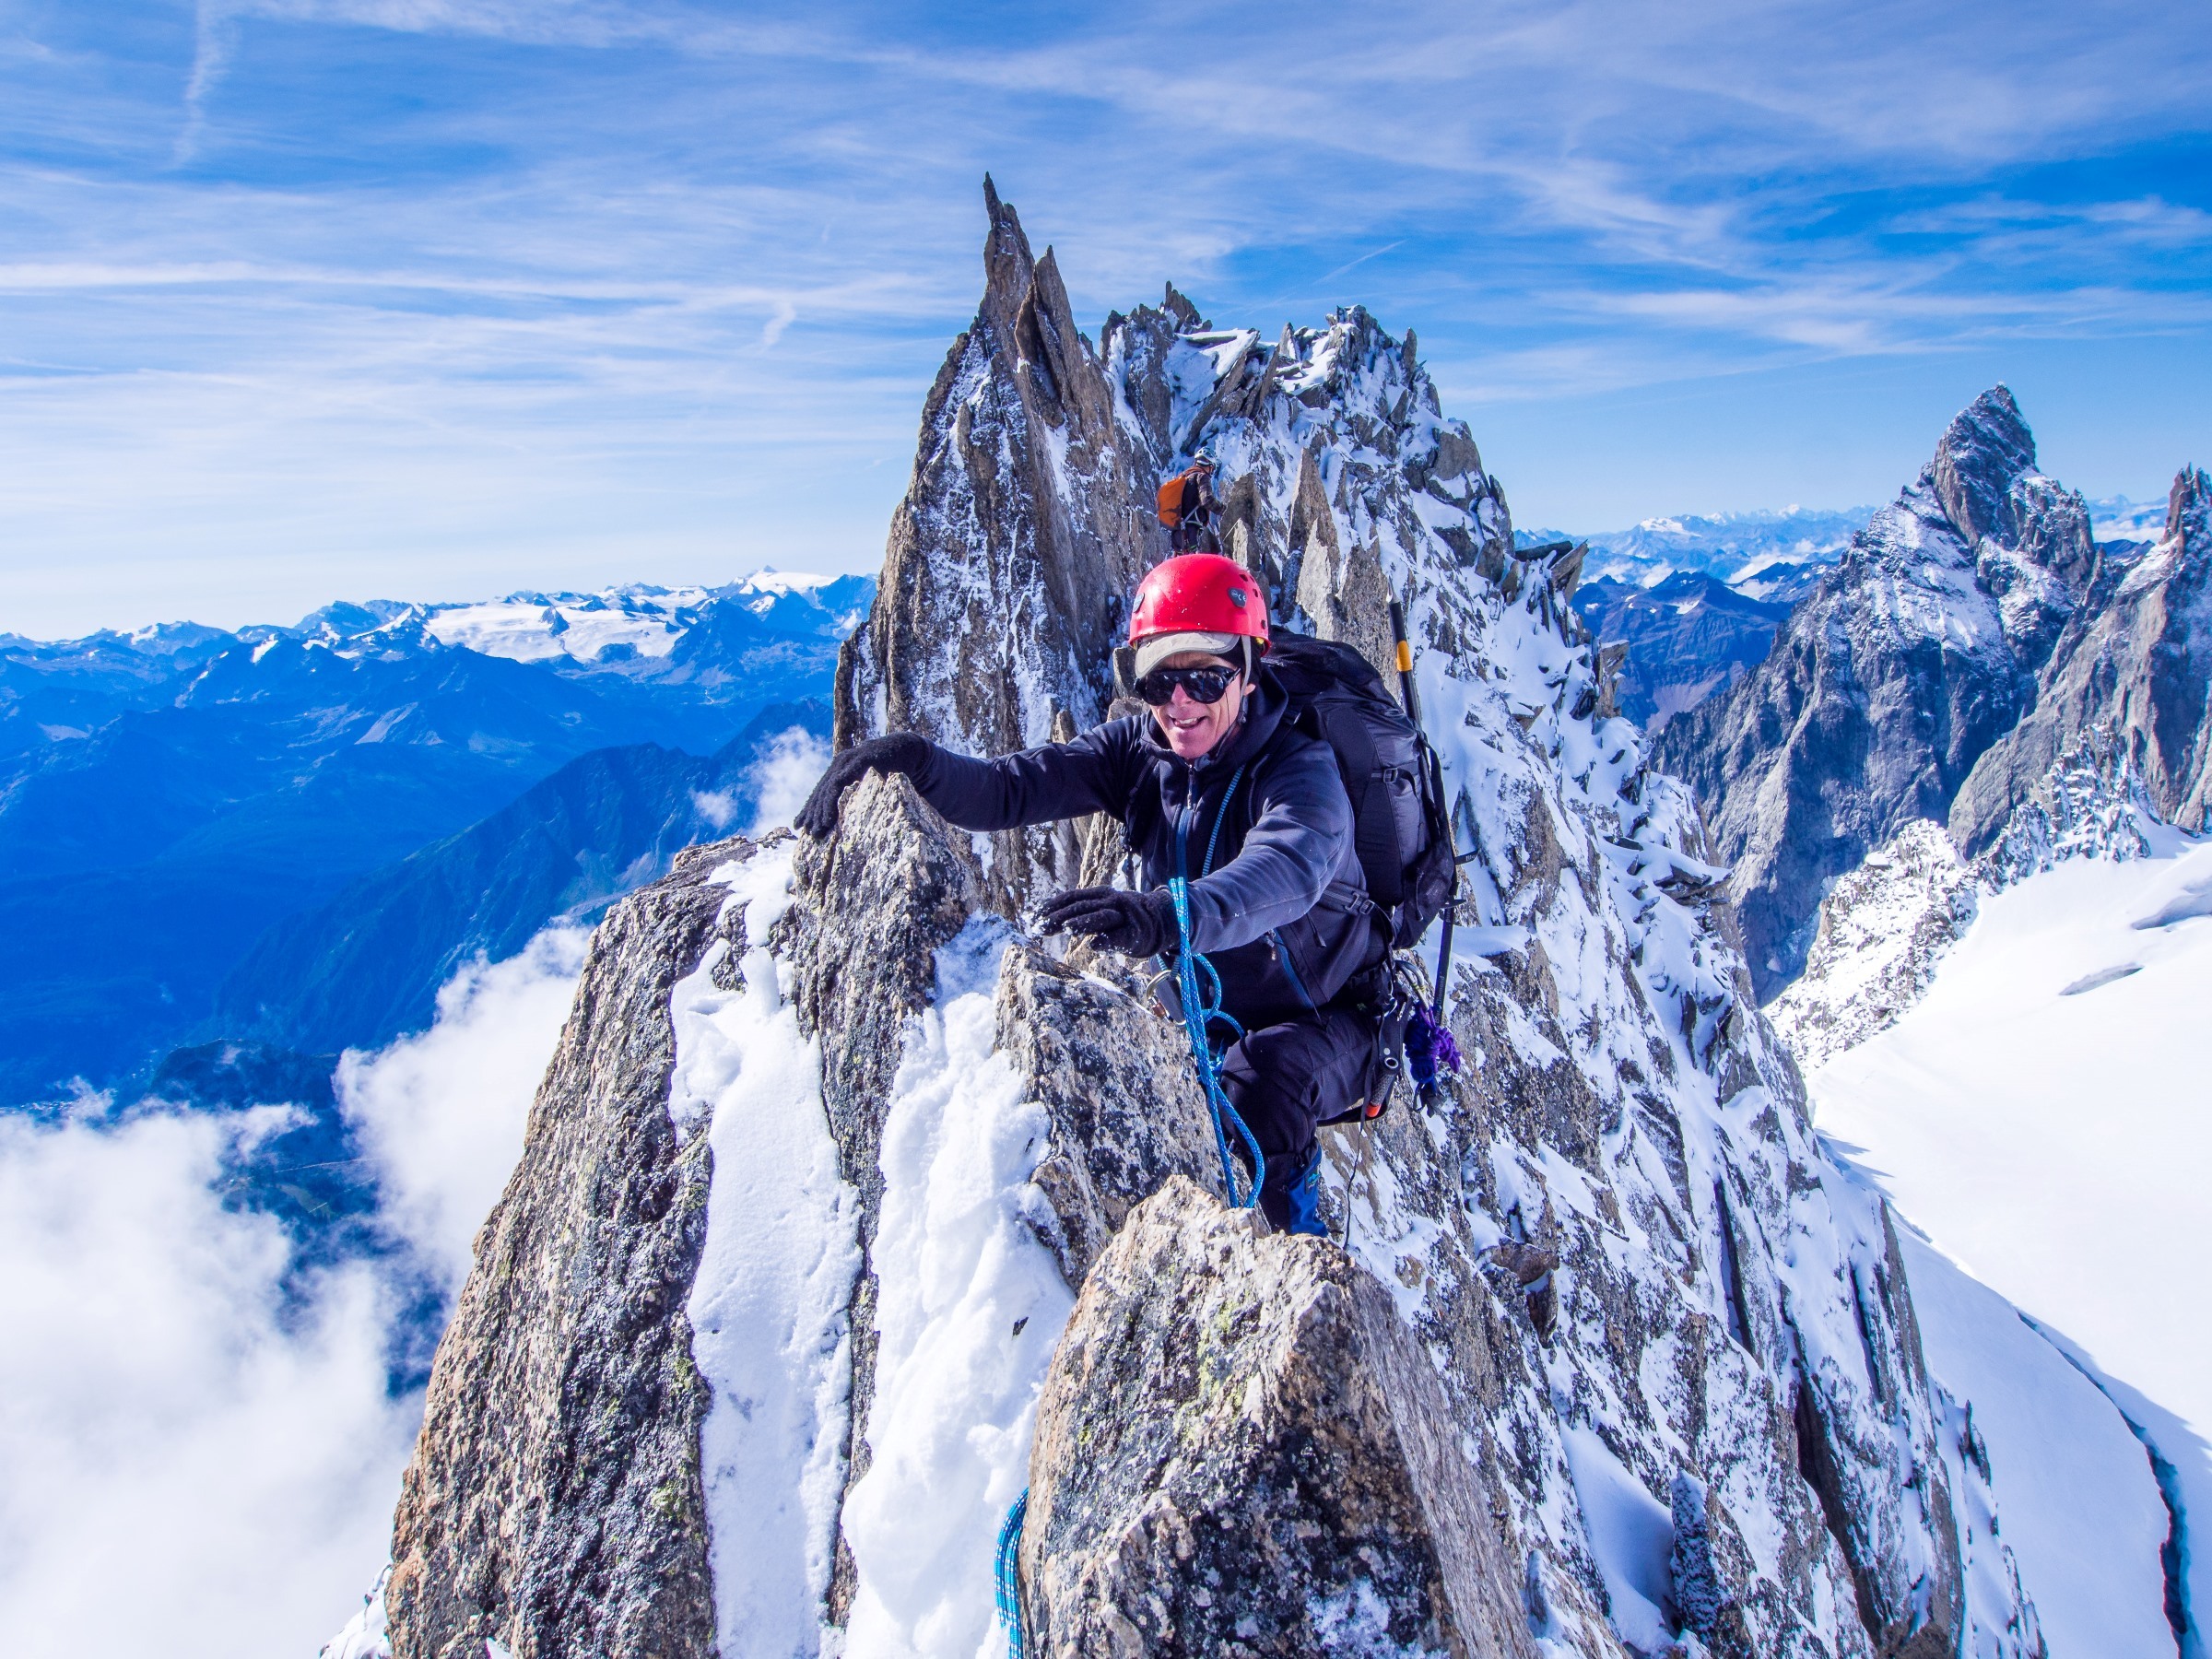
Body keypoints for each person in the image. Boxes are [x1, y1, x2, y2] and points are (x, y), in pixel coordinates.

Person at [796, 554, 1387, 1237]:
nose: (1180, 702)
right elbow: (1013, 789)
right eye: (1160, 680)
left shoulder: (1302, 771)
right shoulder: (1141, 751)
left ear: (1249, 675)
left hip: (1330, 1016)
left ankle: (1298, 1255)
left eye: (1205, 676)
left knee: (1266, 1080)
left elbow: (1286, 870)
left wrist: (1165, 916)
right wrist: (916, 760)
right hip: (1205, 1007)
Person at [1157, 455, 1221, 553]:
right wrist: (1223, 510)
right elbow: (1207, 499)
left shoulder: (1184, 478)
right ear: (1210, 465)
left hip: (1178, 535)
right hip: (1193, 533)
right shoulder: (1202, 476)